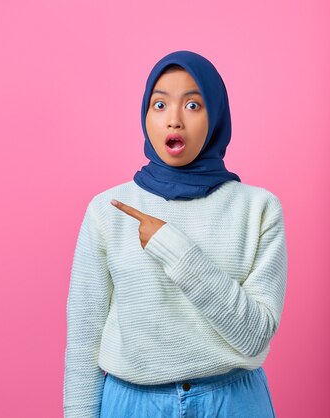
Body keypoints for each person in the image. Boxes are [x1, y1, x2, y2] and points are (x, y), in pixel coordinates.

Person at [63, 50, 288, 418]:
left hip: (233, 402)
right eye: (160, 104)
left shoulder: (259, 208)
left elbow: (254, 336)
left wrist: (174, 248)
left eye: (194, 105)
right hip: (132, 403)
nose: (174, 120)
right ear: (145, 115)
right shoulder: (108, 209)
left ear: (216, 115)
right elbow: (84, 341)